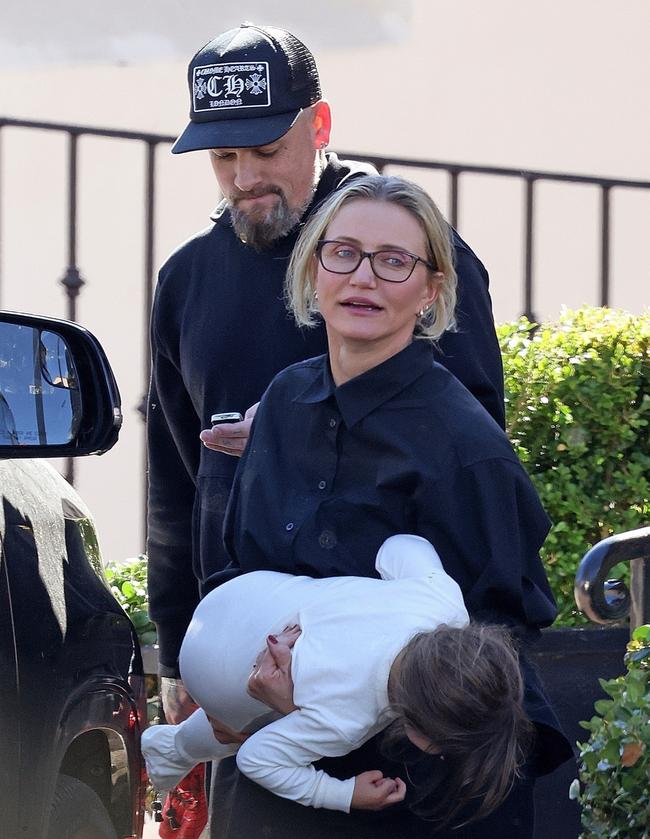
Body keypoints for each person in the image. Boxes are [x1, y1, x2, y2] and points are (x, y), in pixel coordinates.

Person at [199, 172, 573, 839]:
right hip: (292, 765)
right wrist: (232, 684)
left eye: (392, 262)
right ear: (311, 271)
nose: (363, 276)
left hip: (439, 779)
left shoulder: (465, 447)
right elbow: (246, 572)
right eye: (343, 253)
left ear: (432, 292)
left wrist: (387, 699)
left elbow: (503, 634)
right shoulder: (284, 404)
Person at [146, 21, 505, 731]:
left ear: (320, 125)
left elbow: (476, 446)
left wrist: (294, 429)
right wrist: (175, 650)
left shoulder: (409, 251)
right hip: (248, 656)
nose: (245, 178)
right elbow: (174, 482)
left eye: (267, 150)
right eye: (224, 156)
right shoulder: (188, 278)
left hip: (403, 666)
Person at [143, 535, 528, 818]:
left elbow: (399, 546)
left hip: (231, 598)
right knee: (267, 723)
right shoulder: (345, 722)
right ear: (418, 731)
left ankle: (172, 750)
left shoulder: (441, 601)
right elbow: (256, 760)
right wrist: (342, 794)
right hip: (216, 681)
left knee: (293, 641)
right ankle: (175, 750)